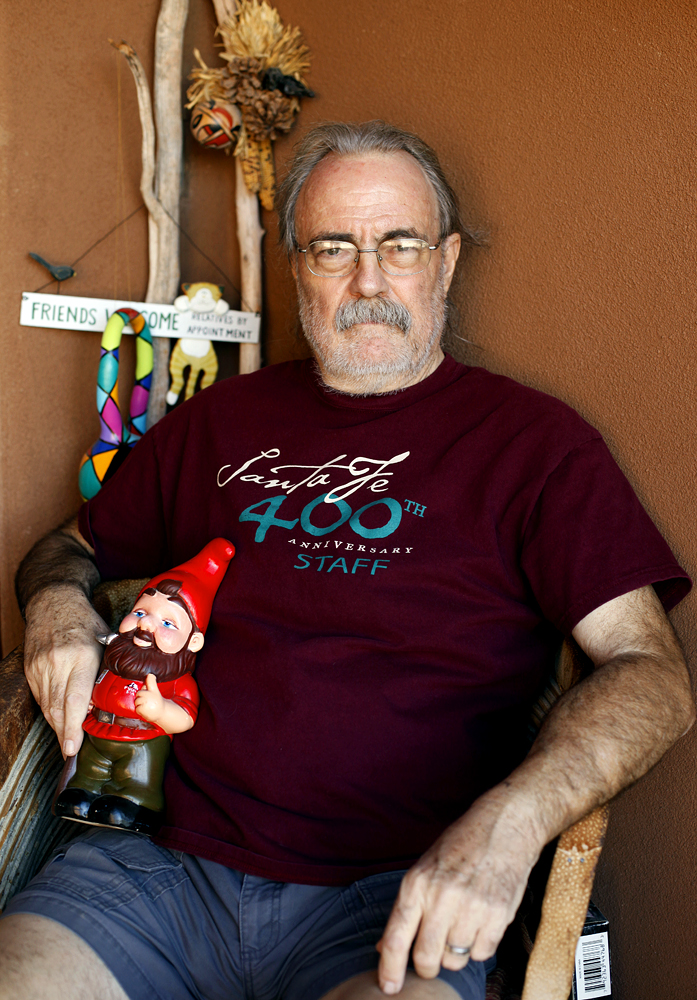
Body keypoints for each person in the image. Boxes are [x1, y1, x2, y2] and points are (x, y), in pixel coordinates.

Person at [0, 120, 693, 1000]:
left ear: (443, 263)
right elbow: (68, 547)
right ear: (297, 268)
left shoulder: (534, 447)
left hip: (394, 898)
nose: (368, 281)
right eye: (333, 249)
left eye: (398, 244)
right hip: (153, 875)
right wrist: (59, 604)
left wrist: (512, 825)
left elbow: (652, 674)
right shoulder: (221, 424)